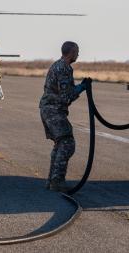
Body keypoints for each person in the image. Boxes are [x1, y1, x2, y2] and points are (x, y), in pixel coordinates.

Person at [39, 41, 90, 192]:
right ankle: (57, 181)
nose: (78, 54)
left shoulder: (59, 65)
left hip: (51, 109)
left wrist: (79, 87)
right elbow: (66, 96)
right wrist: (81, 87)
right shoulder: (63, 68)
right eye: (77, 51)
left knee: (60, 143)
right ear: (71, 52)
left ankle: (52, 181)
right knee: (67, 144)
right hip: (53, 110)